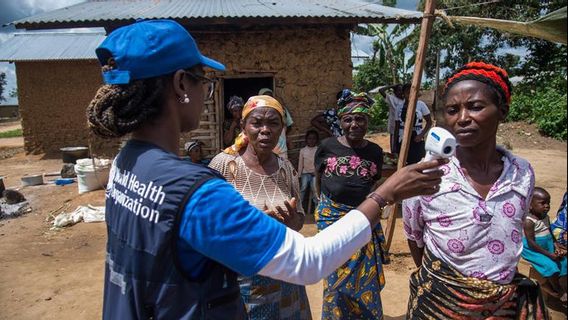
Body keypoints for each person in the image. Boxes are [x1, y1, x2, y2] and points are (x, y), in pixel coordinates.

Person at [87, 19, 446, 320]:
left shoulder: (127, 164)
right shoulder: (195, 191)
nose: (204, 93)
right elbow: (308, 262)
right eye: (203, 82)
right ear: (182, 84)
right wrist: (385, 194)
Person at [403, 62, 548, 319]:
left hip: (503, 307)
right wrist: (449, 287)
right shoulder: (425, 173)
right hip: (441, 303)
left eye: (475, 106)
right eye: (452, 110)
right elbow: (416, 239)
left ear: (502, 111)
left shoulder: (521, 173)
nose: (462, 118)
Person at [209, 95, 310, 319]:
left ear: (282, 129)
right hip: (241, 281)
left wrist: (293, 223)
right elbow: (207, 224)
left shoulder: (286, 168)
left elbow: (300, 218)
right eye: (257, 123)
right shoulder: (223, 166)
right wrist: (250, 227)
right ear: (244, 126)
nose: (265, 130)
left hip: (286, 279)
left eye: (273, 123)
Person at [314, 91, 387, 319]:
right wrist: (323, 206)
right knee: (335, 277)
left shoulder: (375, 152)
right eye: (348, 119)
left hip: (363, 222)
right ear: (341, 122)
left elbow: (374, 186)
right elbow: (319, 179)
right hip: (332, 220)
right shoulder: (326, 146)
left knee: (365, 278)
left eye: (360, 119)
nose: (354, 124)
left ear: (368, 121)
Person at [522, 187, 567, 303]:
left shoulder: (545, 217)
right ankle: (556, 289)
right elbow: (531, 243)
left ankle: (560, 285)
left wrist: (556, 245)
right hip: (533, 250)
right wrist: (549, 254)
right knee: (551, 266)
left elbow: (550, 232)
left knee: (564, 262)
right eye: (542, 203)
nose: (547, 206)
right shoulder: (529, 221)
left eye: (548, 203)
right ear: (530, 205)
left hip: (546, 244)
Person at [394, 83, 432, 164]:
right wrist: (395, 144)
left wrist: (421, 135)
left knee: (418, 163)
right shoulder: (399, 107)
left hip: (417, 138)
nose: (409, 94)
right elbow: (397, 126)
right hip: (402, 138)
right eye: (407, 92)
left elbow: (429, 122)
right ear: (403, 94)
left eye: (411, 92)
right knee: (404, 163)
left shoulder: (421, 104)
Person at [258, 88, 293, 159]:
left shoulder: (281, 109)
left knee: (282, 168)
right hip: (265, 149)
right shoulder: (258, 111)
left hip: (281, 149)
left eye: (270, 96)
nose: (269, 99)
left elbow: (289, 125)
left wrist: (283, 134)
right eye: (266, 97)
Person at [378, 84, 405, 154]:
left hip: (404, 126)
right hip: (394, 126)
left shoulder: (406, 100)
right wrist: (391, 86)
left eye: (402, 90)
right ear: (395, 92)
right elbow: (381, 90)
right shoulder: (391, 98)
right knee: (394, 146)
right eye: (399, 90)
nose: (401, 92)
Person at [298, 129, 319, 213]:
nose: (311, 140)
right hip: (305, 173)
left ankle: (317, 211)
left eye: (314, 139)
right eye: (309, 138)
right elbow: (300, 164)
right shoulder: (303, 150)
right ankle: (299, 209)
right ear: (306, 140)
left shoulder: (318, 149)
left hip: (315, 174)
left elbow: (319, 163)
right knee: (303, 188)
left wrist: (317, 173)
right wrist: (299, 176)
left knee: (315, 191)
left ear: (317, 140)